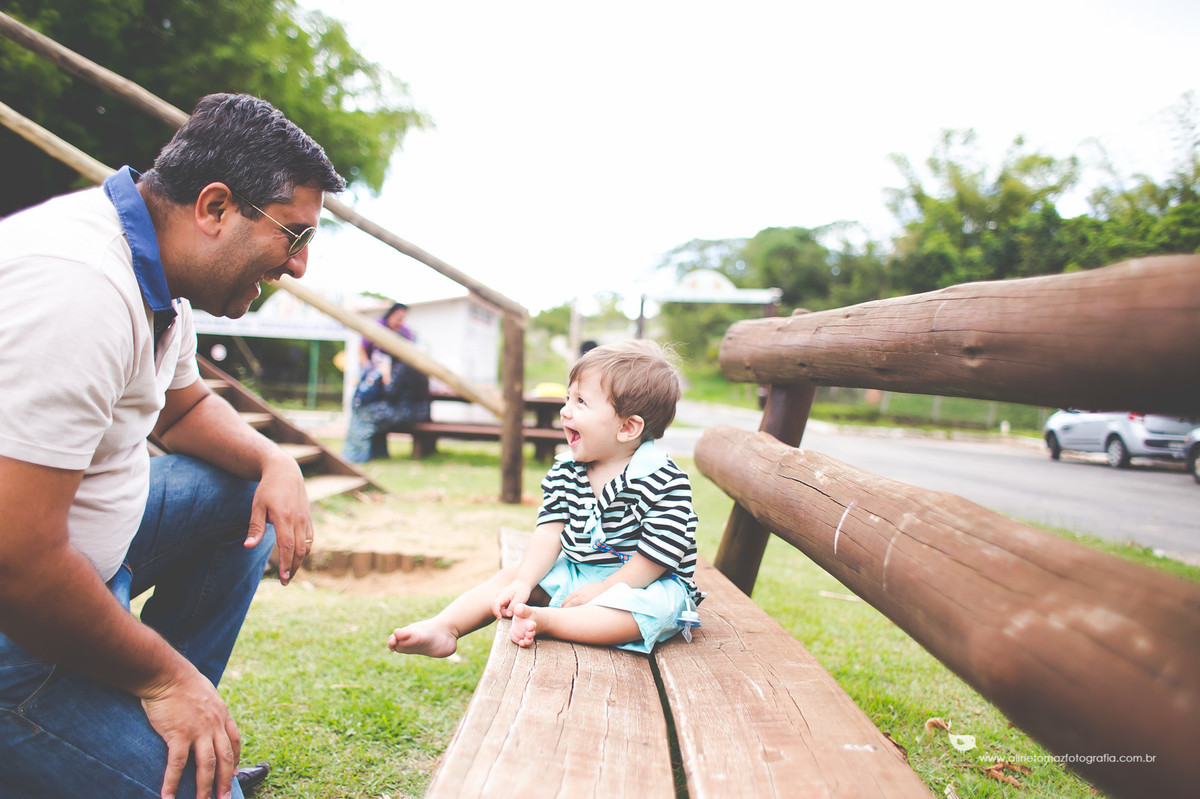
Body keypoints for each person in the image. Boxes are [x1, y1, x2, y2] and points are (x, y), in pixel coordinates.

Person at [0, 93, 345, 799]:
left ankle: (170, 728)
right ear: (215, 208)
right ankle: (154, 717)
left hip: (87, 564)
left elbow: (182, 406)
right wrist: (168, 673)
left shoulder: (156, 267)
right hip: (18, 625)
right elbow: (17, 563)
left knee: (239, 491)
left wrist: (273, 460)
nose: (300, 265)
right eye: (295, 235)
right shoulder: (80, 289)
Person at [387, 339, 701, 658]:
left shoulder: (662, 479)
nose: (565, 411)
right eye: (568, 398)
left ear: (627, 427)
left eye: (581, 402)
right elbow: (550, 532)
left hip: (644, 582)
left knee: (646, 612)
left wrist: (607, 589)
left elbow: (657, 555)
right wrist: (524, 582)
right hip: (579, 570)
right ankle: (445, 626)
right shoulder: (568, 470)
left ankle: (550, 621)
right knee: (512, 575)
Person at [342, 301, 431, 462]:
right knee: (369, 408)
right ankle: (377, 452)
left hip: (405, 413)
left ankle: (354, 457)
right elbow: (363, 349)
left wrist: (386, 377)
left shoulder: (401, 368)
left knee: (363, 411)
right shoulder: (410, 364)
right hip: (414, 410)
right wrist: (368, 370)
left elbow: (391, 391)